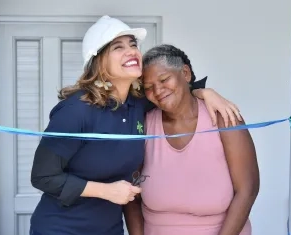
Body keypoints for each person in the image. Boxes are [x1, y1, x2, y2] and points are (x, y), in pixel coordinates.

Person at [29, 15, 242, 235]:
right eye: (118, 47)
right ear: (99, 61)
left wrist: (205, 92)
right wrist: (106, 192)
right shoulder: (77, 110)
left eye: (133, 44)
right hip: (62, 228)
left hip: (108, 228)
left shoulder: (138, 104)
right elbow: (43, 176)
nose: (131, 51)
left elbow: (178, 91)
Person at [139, 44, 260, 235]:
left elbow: (248, 189)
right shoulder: (144, 124)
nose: (158, 90)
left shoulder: (223, 118)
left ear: (185, 73)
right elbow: (131, 193)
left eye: (164, 79)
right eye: (148, 87)